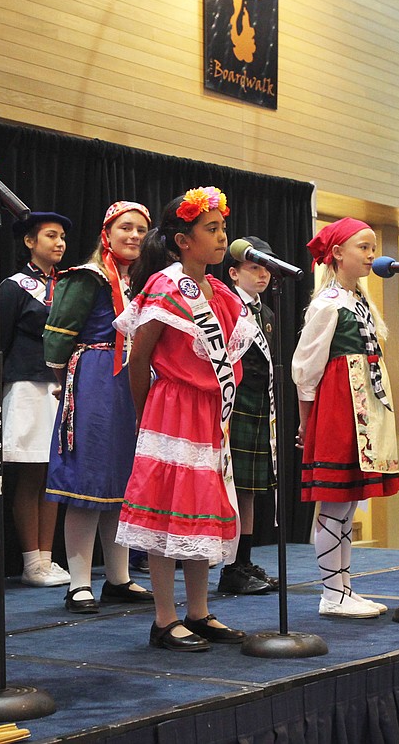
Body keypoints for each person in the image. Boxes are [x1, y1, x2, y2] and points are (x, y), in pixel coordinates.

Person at [115, 187, 257, 652]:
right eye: (211, 230)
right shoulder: (164, 285)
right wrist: (144, 413)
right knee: (165, 511)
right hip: (171, 408)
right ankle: (163, 617)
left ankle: (198, 612)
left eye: (223, 229)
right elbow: (140, 358)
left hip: (209, 414)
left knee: (200, 511)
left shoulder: (220, 292)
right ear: (183, 240)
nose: (222, 239)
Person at [43, 201, 153, 614]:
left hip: (132, 381)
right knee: (87, 482)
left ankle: (118, 578)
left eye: (142, 230)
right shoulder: (87, 277)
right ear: (107, 233)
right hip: (94, 375)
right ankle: (78, 583)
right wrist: (70, 384)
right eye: (126, 228)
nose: (135, 236)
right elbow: (56, 342)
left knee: (123, 482)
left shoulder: (143, 283)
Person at [291, 217, 398, 619]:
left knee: (349, 504)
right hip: (339, 406)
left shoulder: (359, 302)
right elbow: (306, 368)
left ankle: (343, 588)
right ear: (337, 253)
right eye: (363, 247)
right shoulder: (327, 304)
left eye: (373, 247)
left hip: (363, 407)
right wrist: (307, 421)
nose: (371, 255)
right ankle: (331, 593)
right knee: (335, 504)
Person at [0, 211, 71, 587]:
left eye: (63, 238)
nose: (59, 244)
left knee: (52, 475)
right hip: (25, 388)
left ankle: (48, 558)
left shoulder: (69, 286)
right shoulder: (14, 287)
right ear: (29, 242)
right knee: (30, 474)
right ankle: (30, 560)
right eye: (51, 236)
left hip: (60, 389)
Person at [217, 234, 279, 595]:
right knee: (230, 485)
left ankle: (244, 560)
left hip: (258, 406)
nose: (262, 275)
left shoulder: (266, 312)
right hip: (232, 404)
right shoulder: (225, 306)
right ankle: (228, 565)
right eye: (253, 268)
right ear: (234, 273)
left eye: (265, 269)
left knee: (251, 489)